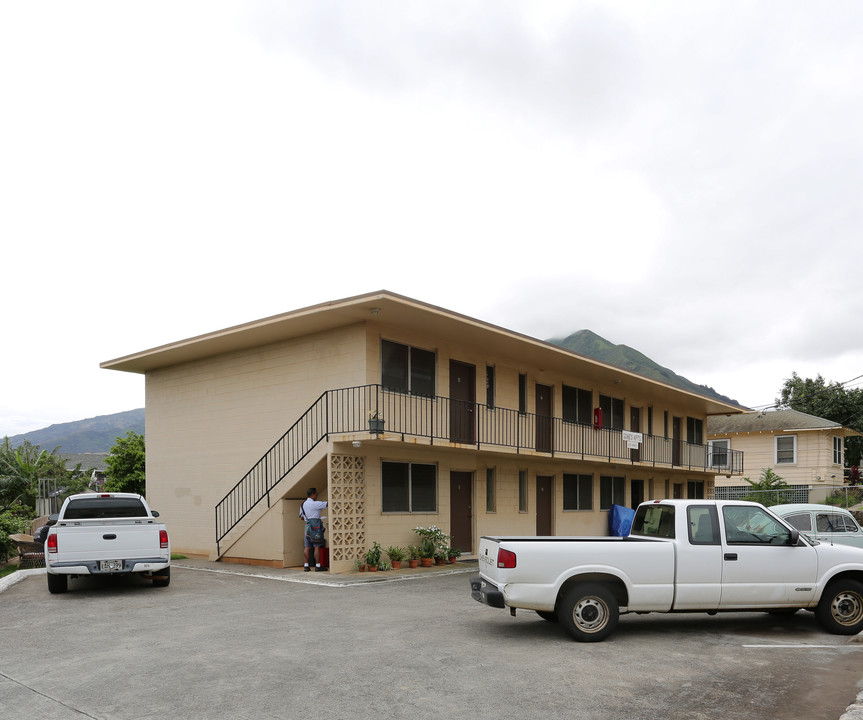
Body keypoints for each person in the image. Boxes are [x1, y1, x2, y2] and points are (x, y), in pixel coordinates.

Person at [300, 487, 328, 572]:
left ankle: (306, 566)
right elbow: (328, 504)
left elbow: (301, 517)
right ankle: (318, 566)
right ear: (312, 495)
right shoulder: (316, 504)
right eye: (316, 494)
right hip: (316, 527)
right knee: (316, 547)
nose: (317, 495)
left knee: (307, 547)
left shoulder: (303, 504)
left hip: (307, 527)